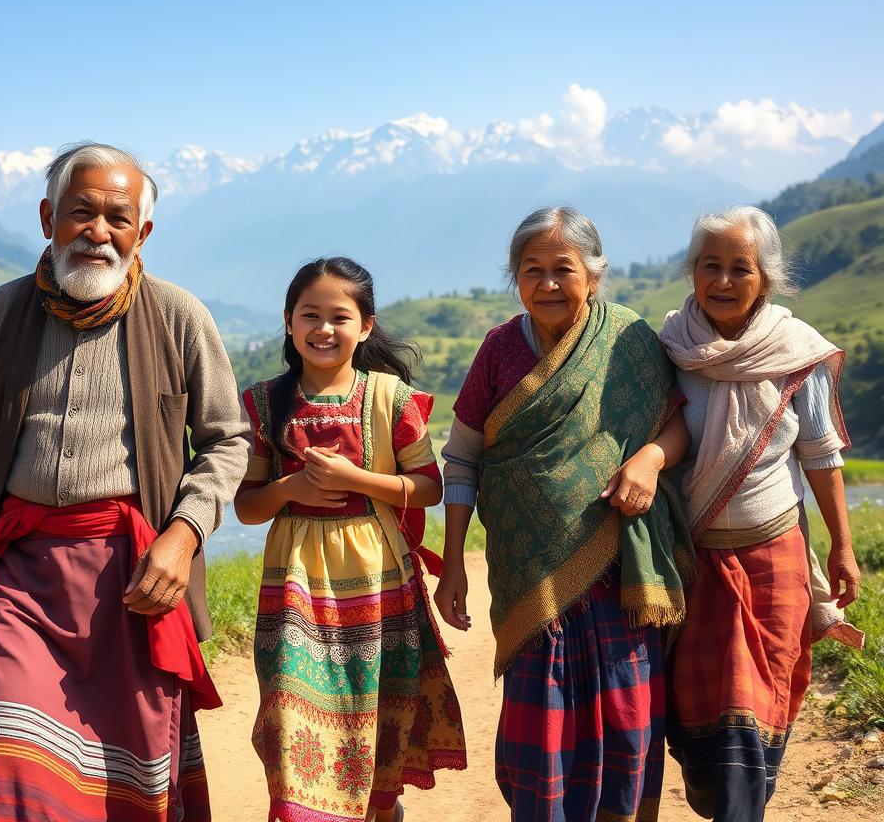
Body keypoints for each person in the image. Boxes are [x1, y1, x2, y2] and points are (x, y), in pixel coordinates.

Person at [0, 142, 250, 822]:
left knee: (123, 785)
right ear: (48, 218)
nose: (98, 232)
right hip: (20, 578)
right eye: (81, 213)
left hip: (131, 583)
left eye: (117, 218)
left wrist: (184, 535)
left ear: (142, 233)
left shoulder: (179, 317)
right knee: (5, 762)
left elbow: (228, 442)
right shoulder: (1, 314)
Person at [435, 206, 694, 822]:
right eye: (533, 271)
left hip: (619, 578)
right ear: (515, 279)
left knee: (626, 728)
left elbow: (677, 421)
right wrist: (451, 563)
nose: (548, 284)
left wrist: (651, 459)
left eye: (563, 269)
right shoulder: (499, 350)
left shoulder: (629, 339)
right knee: (542, 735)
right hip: (530, 578)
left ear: (594, 275)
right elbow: (463, 459)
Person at [235, 256, 467, 822]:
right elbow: (246, 506)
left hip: (378, 587)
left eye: (339, 316)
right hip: (294, 590)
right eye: (309, 315)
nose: (323, 329)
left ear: (365, 326)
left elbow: (429, 488)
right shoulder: (265, 402)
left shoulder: (389, 397)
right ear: (288, 322)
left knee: (375, 728)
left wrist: (353, 481)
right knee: (295, 722)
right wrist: (290, 488)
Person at [660, 205, 862, 822]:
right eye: (710, 266)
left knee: (758, 706)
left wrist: (843, 546)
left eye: (739, 269)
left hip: (774, 557)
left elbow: (822, 455)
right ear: (693, 272)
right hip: (694, 559)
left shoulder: (796, 352)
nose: (723, 281)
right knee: (703, 722)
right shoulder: (668, 348)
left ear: (766, 279)